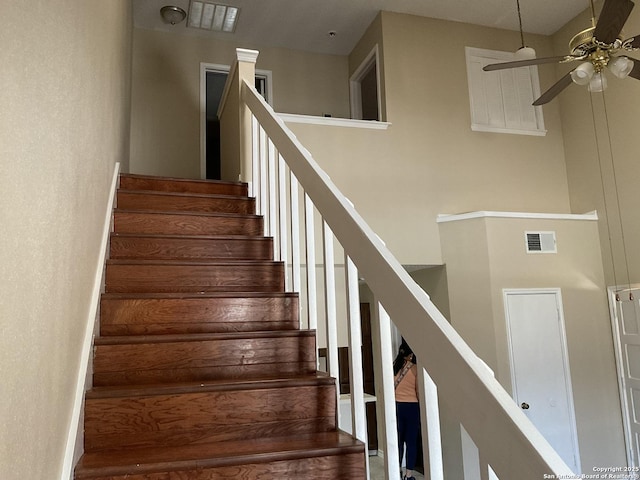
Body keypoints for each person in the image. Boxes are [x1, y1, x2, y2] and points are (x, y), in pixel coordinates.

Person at [393, 339, 420, 480]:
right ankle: (408, 475)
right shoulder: (415, 369)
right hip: (411, 407)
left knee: (398, 441)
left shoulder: (394, 367)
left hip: (397, 406)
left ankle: (396, 470)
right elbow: (418, 391)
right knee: (411, 442)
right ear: (410, 354)